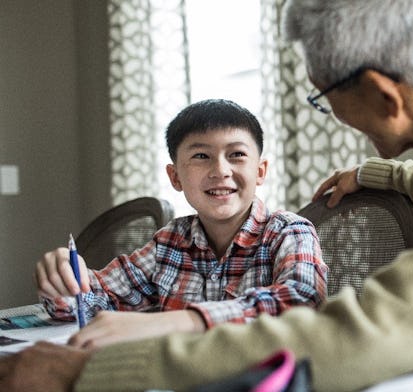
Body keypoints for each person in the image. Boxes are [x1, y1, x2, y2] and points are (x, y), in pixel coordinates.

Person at [0, 1, 413, 391]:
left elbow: (364, 332)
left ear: (382, 93)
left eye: (324, 99)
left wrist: (85, 376)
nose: (329, 111)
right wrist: (371, 174)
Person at [33, 98, 327, 348]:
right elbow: (99, 299)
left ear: (260, 171)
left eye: (236, 155)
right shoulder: (170, 241)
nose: (220, 170)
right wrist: (64, 283)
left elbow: (301, 300)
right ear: (175, 177)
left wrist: (183, 320)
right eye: (201, 156)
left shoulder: (290, 231)